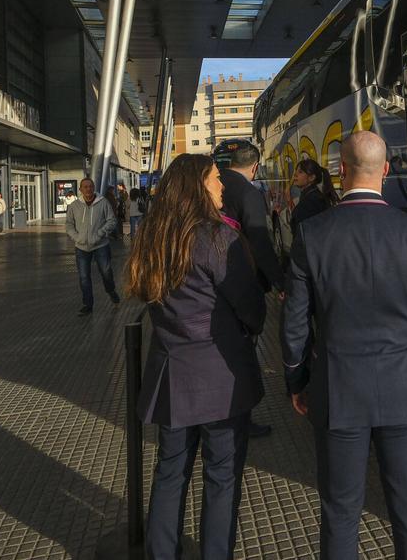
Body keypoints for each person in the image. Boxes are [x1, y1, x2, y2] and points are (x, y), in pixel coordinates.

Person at [283, 131, 407, 560]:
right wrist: (401, 331)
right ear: (386, 170)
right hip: (403, 390)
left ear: (341, 171)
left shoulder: (313, 234)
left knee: (341, 512)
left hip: (338, 391)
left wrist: (296, 380)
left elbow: (295, 324)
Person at [128, 154, 266, 560]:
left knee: (170, 473)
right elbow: (251, 308)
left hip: (172, 377)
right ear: (196, 187)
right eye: (215, 180)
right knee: (221, 476)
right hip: (221, 380)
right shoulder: (217, 239)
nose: (222, 187)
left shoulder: (152, 237)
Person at [219, 142, 283, 294]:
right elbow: (259, 240)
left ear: (231, 162)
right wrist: (279, 281)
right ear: (255, 167)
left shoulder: (213, 183)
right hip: (241, 273)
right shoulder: (249, 193)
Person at [66, 177, 122, 316]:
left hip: (100, 245)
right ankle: (88, 304)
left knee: (106, 273)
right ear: (80, 189)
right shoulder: (74, 206)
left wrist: (100, 234)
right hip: (81, 247)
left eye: (90, 186)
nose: (88, 189)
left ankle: (111, 291)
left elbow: (111, 221)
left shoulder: (103, 203)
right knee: (84, 277)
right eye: (85, 187)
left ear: (94, 187)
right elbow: (69, 224)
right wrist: (77, 237)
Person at [289, 158, 339, 240]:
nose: (295, 174)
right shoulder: (312, 196)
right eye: (296, 171)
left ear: (311, 178)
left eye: (300, 172)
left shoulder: (312, 201)